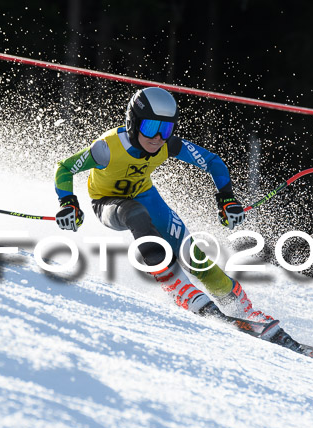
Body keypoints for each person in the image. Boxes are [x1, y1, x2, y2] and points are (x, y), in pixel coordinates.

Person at [53, 86, 297, 349]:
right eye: (150, 127)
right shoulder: (107, 149)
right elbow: (65, 167)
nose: (158, 137)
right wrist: (68, 203)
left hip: (146, 195)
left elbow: (212, 162)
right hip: (109, 204)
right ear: (133, 123)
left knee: (191, 254)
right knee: (135, 214)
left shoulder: (167, 145)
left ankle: (242, 308)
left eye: (166, 129)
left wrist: (226, 197)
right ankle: (180, 290)